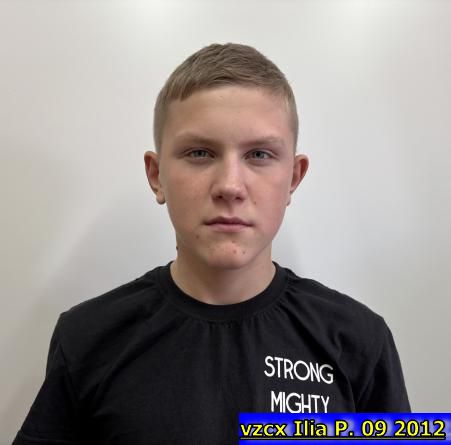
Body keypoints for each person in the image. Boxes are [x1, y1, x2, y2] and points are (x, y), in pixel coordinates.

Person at [13, 43, 410, 445]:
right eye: (200, 153)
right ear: (156, 175)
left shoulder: (359, 340)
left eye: (259, 154)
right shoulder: (88, 337)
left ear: (293, 177)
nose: (230, 186)